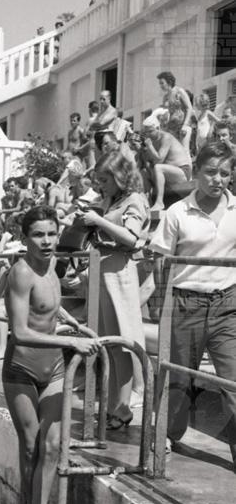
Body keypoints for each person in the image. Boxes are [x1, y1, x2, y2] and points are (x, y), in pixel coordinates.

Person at [3, 205, 100, 504]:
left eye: (51, 234)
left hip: (54, 368)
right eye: (38, 235)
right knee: (31, 446)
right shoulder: (20, 273)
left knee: (54, 445)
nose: (46, 241)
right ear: (25, 238)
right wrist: (71, 342)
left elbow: (47, 305)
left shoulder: (53, 266)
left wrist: (71, 322)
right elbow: (20, 331)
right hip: (22, 370)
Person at [149, 142, 236, 466]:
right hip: (186, 302)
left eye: (225, 173)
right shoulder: (177, 212)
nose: (218, 179)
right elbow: (160, 261)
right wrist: (161, 305)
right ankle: (167, 433)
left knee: (233, 381)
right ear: (196, 172)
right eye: (211, 172)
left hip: (227, 303)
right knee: (179, 378)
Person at [77, 151, 150, 429]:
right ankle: (112, 406)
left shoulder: (134, 200)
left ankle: (123, 407)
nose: (100, 185)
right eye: (98, 180)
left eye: (105, 180)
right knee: (107, 344)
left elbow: (131, 238)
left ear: (120, 177)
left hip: (120, 273)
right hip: (102, 272)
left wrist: (99, 221)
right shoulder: (110, 200)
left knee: (122, 343)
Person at [141, 117, 192, 210]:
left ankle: (159, 202)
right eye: (146, 132)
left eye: (150, 131)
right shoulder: (152, 141)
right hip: (168, 173)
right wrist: (142, 151)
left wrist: (150, 146)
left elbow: (159, 160)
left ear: (158, 128)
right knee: (144, 172)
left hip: (182, 172)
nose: (148, 135)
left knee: (158, 167)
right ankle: (147, 202)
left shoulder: (166, 137)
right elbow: (150, 163)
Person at [157, 71, 194, 154]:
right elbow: (166, 113)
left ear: (169, 82)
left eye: (162, 83)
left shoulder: (179, 91)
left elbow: (189, 108)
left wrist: (185, 125)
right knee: (175, 153)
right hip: (172, 129)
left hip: (183, 126)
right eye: (160, 84)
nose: (161, 86)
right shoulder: (165, 97)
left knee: (184, 151)